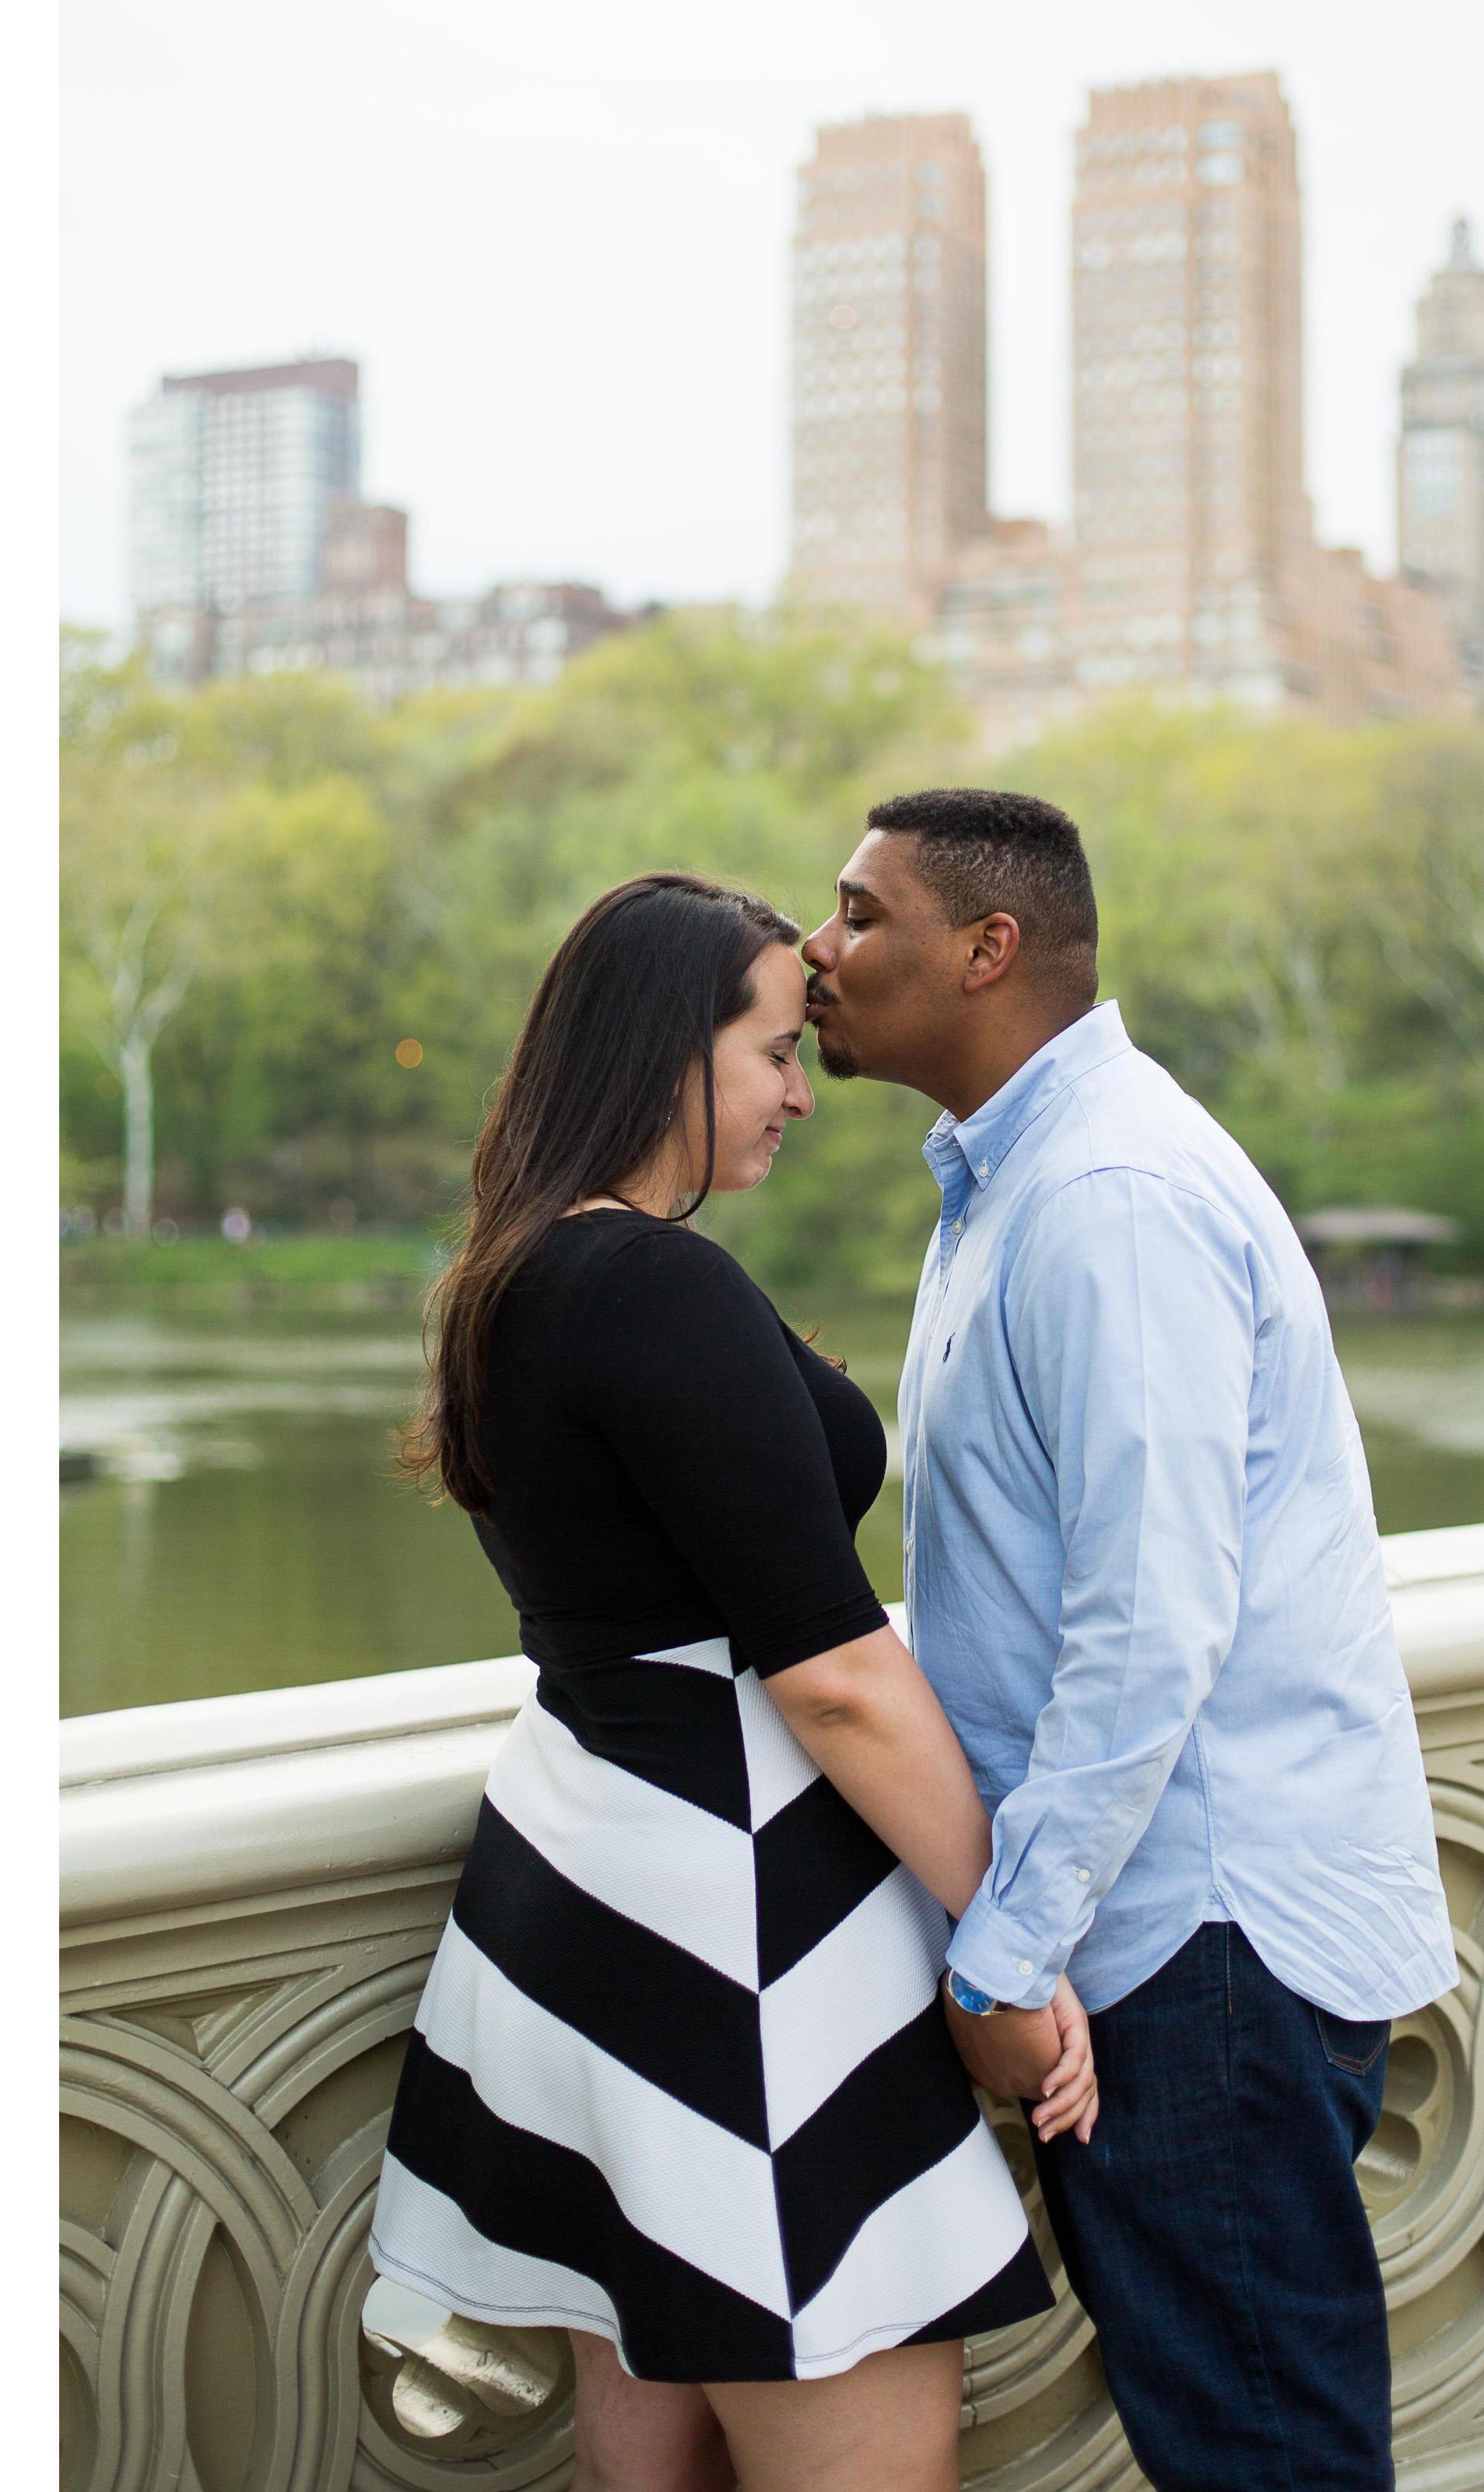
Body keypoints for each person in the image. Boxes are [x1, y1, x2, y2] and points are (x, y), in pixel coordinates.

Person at [372, 872, 1095, 2492]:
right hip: (744, 1941)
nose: (797, 1090)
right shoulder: (647, 1284)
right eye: (773, 1050)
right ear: (660, 1055)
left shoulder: (517, 1273)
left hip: (592, 1885)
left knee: (658, 2457)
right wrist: (1011, 1942)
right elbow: (837, 1676)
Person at [800, 793, 1460, 2492]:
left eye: (863, 914)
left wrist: (1009, 1955)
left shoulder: (1107, 1198)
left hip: (1194, 1944)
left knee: (1263, 2460)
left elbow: (1152, 1628)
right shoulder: (1025, 1180)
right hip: (1164, 1929)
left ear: (987, 950)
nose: (822, 951)